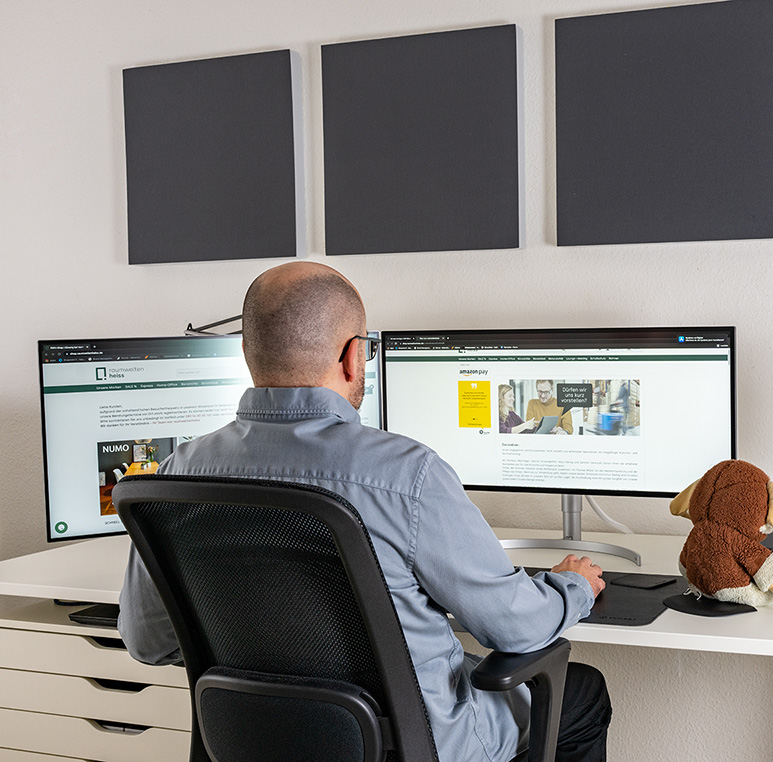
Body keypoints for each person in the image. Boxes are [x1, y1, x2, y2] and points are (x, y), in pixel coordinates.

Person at [117, 262, 612, 762]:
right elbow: (513, 628)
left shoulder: (176, 473)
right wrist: (572, 586)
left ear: (247, 353)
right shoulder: (406, 475)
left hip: (251, 739)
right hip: (409, 745)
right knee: (583, 693)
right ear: (354, 356)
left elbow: (147, 642)